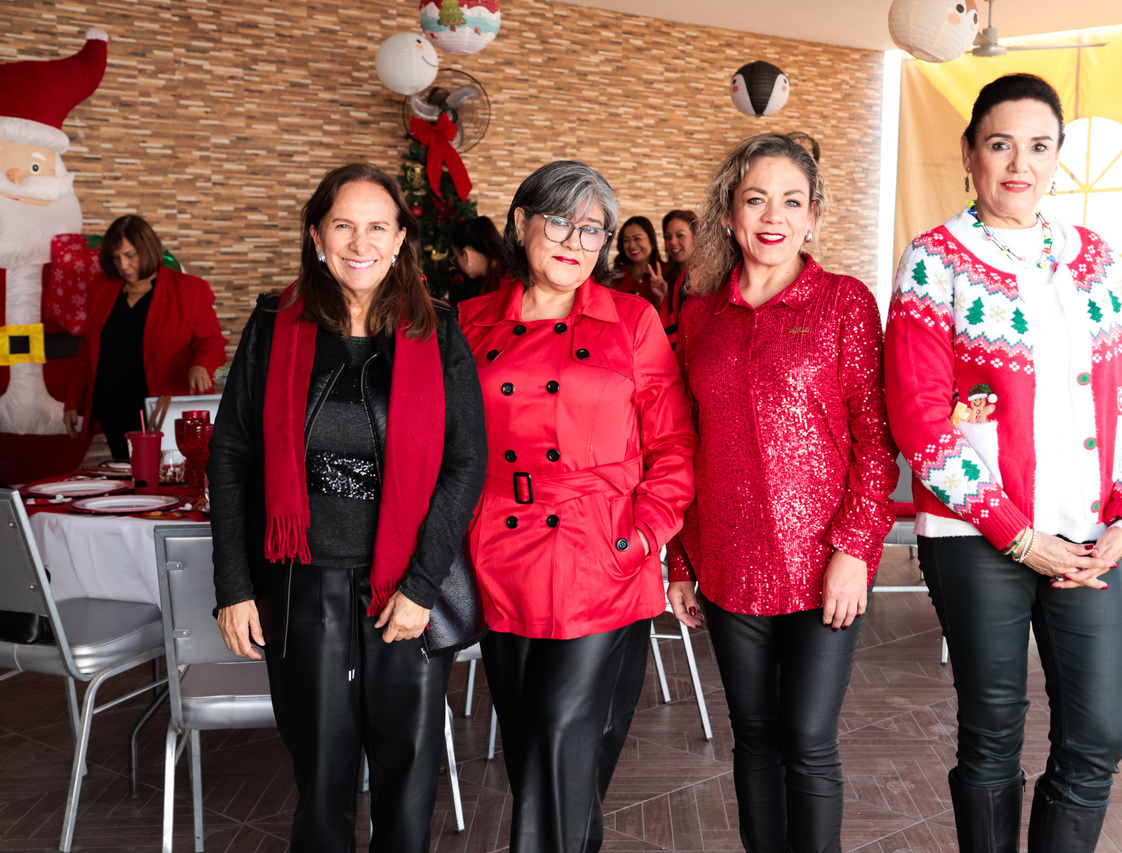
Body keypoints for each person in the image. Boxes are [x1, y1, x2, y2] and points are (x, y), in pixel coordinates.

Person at [884, 73, 1122, 853]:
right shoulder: (933, 260)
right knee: (993, 733)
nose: (1020, 164)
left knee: (1098, 733)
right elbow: (919, 419)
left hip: (1088, 536)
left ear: (1057, 157)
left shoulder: (1096, 257)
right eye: (1001, 144)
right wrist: (1016, 532)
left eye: (1039, 146)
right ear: (969, 153)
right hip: (977, 536)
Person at [208, 163, 487, 853]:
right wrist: (234, 587)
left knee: (408, 776)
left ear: (400, 240)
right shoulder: (274, 323)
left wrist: (423, 586)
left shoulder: (439, 330)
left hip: (407, 588)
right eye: (343, 225)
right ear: (316, 236)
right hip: (301, 582)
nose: (360, 243)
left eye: (377, 226)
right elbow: (232, 454)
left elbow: (465, 463)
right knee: (321, 774)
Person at [666, 133, 897, 853]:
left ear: (813, 217)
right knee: (755, 736)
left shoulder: (843, 303)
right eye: (756, 199)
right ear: (729, 216)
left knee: (807, 735)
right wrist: (679, 561)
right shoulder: (698, 316)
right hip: (727, 560)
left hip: (824, 563)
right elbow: (684, 443)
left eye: (792, 201)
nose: (774, 216)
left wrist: (855, 550)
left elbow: (875, 438)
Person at [458, 160, 696, 853]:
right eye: (560, 221)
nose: (575, 240)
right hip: (500, 557)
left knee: (560, 733)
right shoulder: (468, 323)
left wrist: (645, 534)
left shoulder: (632, 320)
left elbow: (673, 442)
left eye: (593, 229)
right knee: (536, 750)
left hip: (603, 554)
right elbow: (443, 444)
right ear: (521, 223)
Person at [62, 215, 226, 459]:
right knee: (128, 474)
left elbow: (211, 341)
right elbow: (88, 349)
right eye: (116, 258)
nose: (123, 265)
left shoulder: (189, 288)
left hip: (165, 408)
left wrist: (201, 365)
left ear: (148, 249)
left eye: (130, 255)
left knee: (170, 475)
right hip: (113, 409)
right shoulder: (101, 288)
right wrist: (73, 401)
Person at [655, 209, 696, 348]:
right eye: (667, 237)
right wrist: (661, 298)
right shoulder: (663, 277)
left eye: (680, 235)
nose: (672, 242)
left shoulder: (710, 277)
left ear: (697, 237)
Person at [448, 214, 505, 303]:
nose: (457, 263)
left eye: (456, 257)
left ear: (467, 254)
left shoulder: (502, 281)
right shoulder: (499, 274)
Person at [611, 214, 663, 306]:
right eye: (626, 240)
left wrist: (660, 298)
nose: (632, 245)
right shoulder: (616, 276)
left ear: (652, 242)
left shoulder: (667, 274)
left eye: (637, 238)